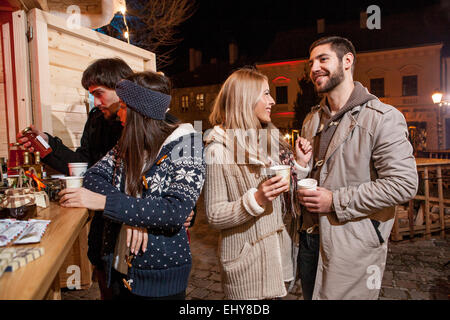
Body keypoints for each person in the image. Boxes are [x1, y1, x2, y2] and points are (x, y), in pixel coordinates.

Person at [16, 58, 193, 299]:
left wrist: (178, 212)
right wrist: (49, 146)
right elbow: (88, 170)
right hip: (108, 242)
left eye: (99, 94)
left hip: (153, 257)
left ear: (123, 89)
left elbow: (182, 197)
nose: (95, 102)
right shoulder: (99, 122)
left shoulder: (174, 132)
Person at [59, 71, 205, 300]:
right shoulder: (128, 141)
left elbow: (175, 211)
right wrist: (132, 215)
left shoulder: (188, 145)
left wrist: (107, 202)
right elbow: (93, 176)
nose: (120, 112)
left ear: (142, 113)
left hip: (158, 276)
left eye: (125, 106)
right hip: (116, 267)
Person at [295, 36, 418, 300]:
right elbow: (317, 177)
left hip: (351, 243)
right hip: (308, 241)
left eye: (323, 59)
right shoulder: (311, 119)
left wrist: (335, 200)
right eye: (311, 62)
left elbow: (404, 184)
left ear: (347, 61)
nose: (314, 67)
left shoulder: (383, 118)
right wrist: (302, 167)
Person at [204, 67, 307, 299]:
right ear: (246, 99)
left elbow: (286, 196)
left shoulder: (266, 142)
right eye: (266, 94)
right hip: (246, 267)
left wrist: (299, 164)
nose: (272, 101)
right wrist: (257, 199)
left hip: (276, 258)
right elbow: (214, 215)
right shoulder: (218, 151)